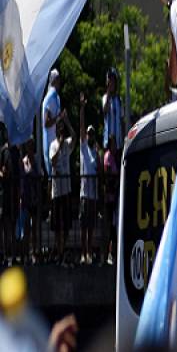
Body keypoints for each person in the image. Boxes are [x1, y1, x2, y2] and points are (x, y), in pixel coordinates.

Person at [49, 112, 76, 266]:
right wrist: (59, 145)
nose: (61, 131)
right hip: (57, 192)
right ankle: (59, 253)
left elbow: (75, 137)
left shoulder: (67, 143)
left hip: (66, 190)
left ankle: (62, 250)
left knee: (66, 226)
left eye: (62, 128)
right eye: (58, 128)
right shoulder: (54, 145)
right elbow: (53, 162)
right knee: (57, 226)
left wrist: (67, 120)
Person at [79, 93, 99, 266]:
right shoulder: (84, 149)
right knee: (84, 226)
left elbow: (98, 169)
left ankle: (90, 253)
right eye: (88, 133)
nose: (90, 136)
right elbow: (81, 128)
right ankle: (83, 253)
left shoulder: (94, 151)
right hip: (85, 193)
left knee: (91, 227)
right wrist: (82, 109)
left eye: (92, 134)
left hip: (94, 194)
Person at [21, 137, 40, 265]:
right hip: (26, 199)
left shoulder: (37, 160)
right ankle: (26, 254)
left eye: (31, 145)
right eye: (28, 145)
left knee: (35, 229)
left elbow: (40, 177)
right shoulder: (23, 162)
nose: (29, 148)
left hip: (35, 199)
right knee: (26, 228)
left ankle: (35, 253)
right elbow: (21, 181)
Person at [103, 134, 119, 266]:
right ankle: (109, 253)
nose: (115, 146)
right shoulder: (108, 156)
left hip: (114, 197)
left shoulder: (114, 157)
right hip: (110, 198)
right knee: (110, 227)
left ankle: (113, 252)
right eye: (113, 144)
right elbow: (108, 176)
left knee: (114, 227)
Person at [42, 69, 61, 176]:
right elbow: (46, 122)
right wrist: (59, 117)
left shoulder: (56, 98)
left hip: (55, 141)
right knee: (51, 176)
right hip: (49, 143)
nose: (59, 82)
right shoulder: (49, 98)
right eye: (57, 79)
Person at [102, 68, 123, 153]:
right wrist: (108, 93)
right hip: (108, 143)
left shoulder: (119, 100)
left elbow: (122, 120)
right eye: (109, 81)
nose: (111, 83)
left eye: (113, 81)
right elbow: (105, 110)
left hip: (118, 143)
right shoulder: (104, 98)